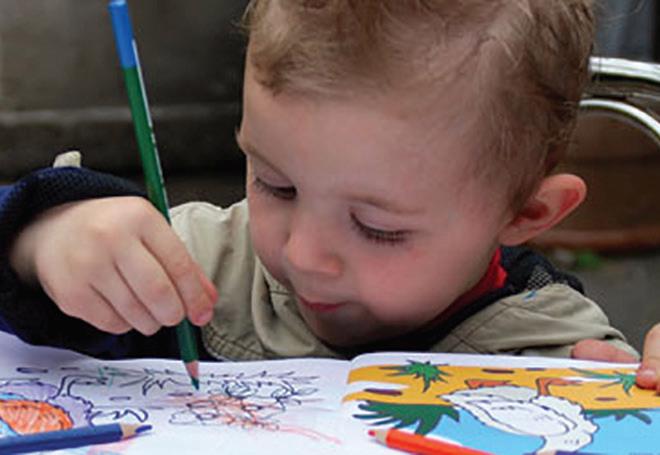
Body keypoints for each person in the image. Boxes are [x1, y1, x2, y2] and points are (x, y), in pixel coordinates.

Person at [1, 0, 659, 391]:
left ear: (527, 213)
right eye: (276, 184)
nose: (304, 255)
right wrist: (36, 240)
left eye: (376, 226)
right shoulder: (195, 268)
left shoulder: (564, 357)